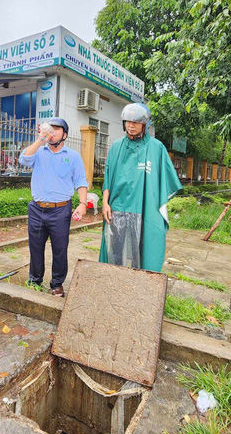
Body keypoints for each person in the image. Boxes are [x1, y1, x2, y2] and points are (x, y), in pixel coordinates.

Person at [99, 103, 182, 272]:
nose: (131, 125)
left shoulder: (156, 147)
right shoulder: (116, 147)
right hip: (117, 207)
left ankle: (142, 287)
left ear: (145, 124)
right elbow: (108, 178)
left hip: (145, 208)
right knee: (114, 251)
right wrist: (105, 203)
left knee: (145, 251)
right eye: (128, 121)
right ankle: (113, 283)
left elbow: (164, 179)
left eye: (136, 122)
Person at [19, 118, 88, 297]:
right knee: (35, 247)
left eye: (57, 130)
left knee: (59, 249)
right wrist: (40, 139)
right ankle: (35, 280)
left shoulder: (73, 156)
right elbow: (24, 159)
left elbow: (80, 180)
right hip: (37, 208)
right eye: (50, 129)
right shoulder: (39, 151)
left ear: (64, 135)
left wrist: (82, 204)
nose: (52, 132)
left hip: (60, 209)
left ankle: (57, 284)